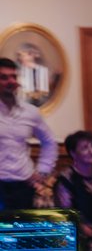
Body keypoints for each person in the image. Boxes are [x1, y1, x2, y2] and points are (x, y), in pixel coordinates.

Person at [0, 57, 56, 209]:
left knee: (23, 225)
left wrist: (43, 170)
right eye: (4, 77)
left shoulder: (31, 112)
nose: (11, 81)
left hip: (23, 185)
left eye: (13, 76)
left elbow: (49, 142)